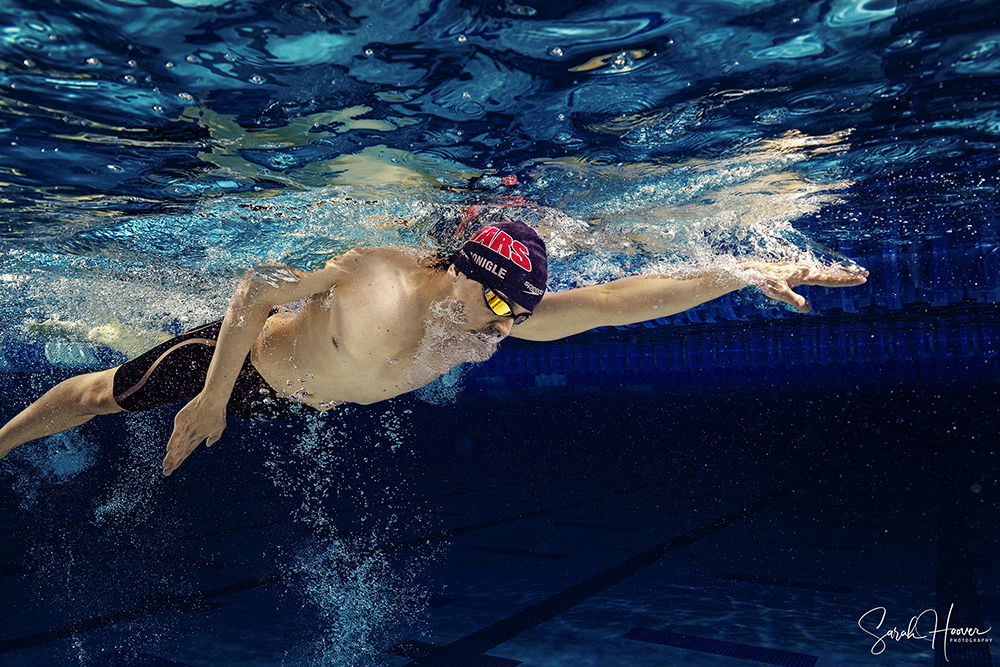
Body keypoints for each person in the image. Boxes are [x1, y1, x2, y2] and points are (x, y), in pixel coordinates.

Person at [0, 219, 867, 476]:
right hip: (249, 366)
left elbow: (611, 303)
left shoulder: (493, 316)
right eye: (492, 299)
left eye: (514, 312)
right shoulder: (376, 275)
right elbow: (256, 289)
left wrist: (743, 273)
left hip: (318, 391)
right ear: (457, 266)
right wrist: (216, 394)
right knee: (101, 397)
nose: (500, 324)